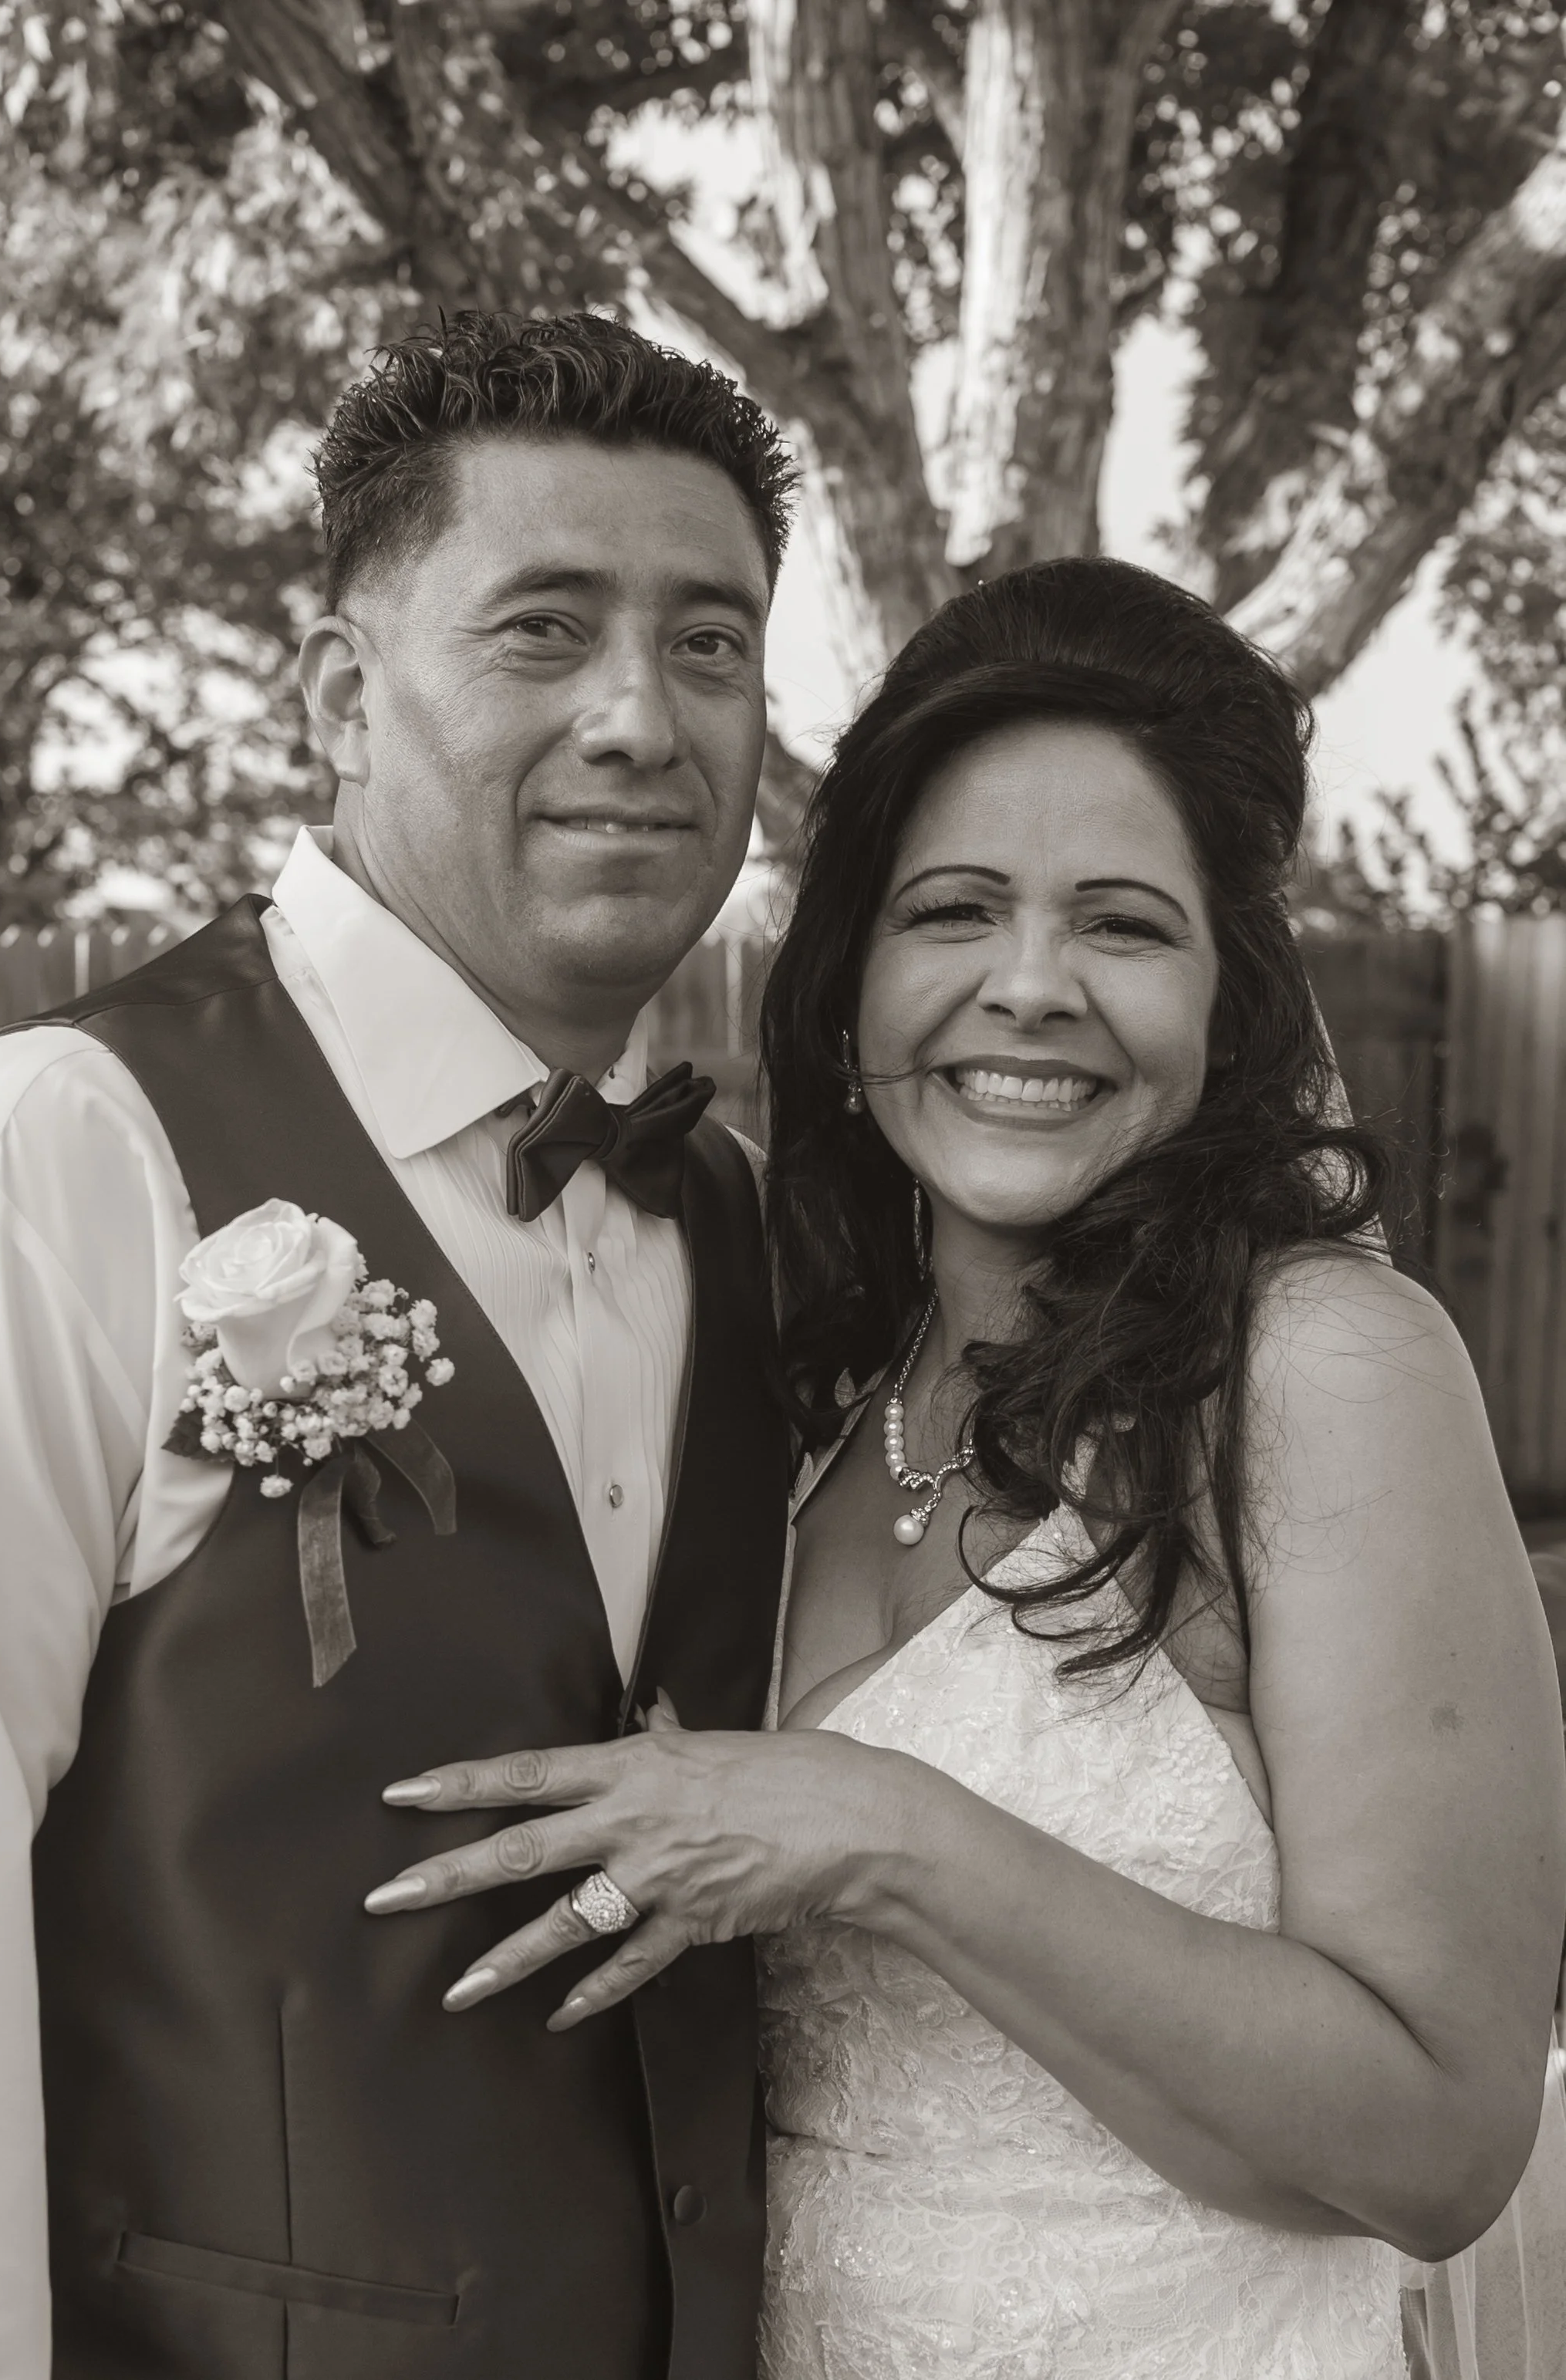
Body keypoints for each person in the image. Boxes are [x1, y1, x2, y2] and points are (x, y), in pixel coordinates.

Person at [359, 558, 1566, 2377]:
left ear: (1226, 1002)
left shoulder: (1318, 1367)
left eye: (1121, 927)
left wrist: (892, 1834)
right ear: (849, 990)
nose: (1028, 988)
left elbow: (1440, 2142)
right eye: (952, 912)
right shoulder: (802, 1378)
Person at [0, 312, 798, 2379]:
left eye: (708, 644)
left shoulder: (737, 1219)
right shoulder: (44, 1168)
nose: (641, 716)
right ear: (341, 695)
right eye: (544, 629)